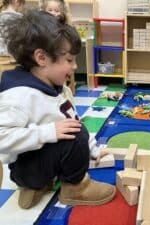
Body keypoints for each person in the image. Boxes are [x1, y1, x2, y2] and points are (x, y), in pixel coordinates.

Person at [0, 10, 116, 209]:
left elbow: (73, 119)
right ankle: (75, 187)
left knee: (75, 129)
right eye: (69, 60)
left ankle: (37, 186)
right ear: (42, 58)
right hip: (25, 169)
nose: (74, 67)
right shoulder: (18, 95)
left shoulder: (59, 88)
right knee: (75, 133)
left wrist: (95, 151)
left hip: (40, 164)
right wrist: (48, 132)